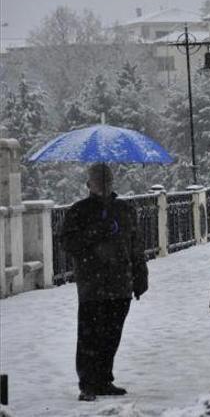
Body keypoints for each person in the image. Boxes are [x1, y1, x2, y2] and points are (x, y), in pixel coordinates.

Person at [61, 163, 148, 402]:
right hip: (92, 285)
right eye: (99, 181)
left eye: (107, 181)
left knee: (112, 334)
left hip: (120, 283)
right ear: (89, 185)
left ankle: (104, 379)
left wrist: (140, 276)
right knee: (90, 336)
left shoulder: (125, 209)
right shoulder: (79, 211)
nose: (103, 185)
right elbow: (69, 244)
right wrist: (97, 230)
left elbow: (135, 245)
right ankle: (88, 383)